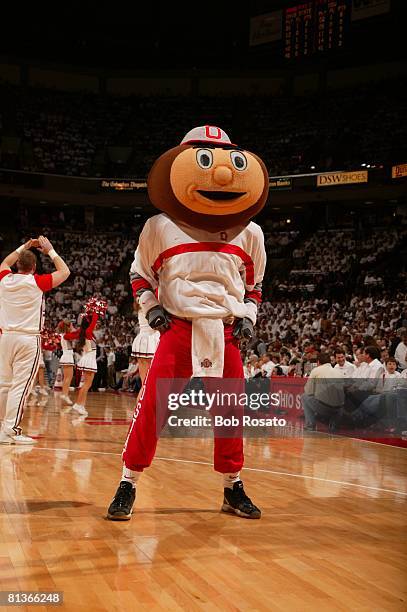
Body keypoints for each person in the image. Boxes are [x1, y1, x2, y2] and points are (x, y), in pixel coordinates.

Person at [107, 125, 269, 521]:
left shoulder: (251, 232)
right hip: (178, 328)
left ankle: (232, 487)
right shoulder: (159, 226)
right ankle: (128, 482)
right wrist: (151, 307)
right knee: (152, 410)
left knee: (231, 413)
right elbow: (139, 274)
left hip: (225, 331)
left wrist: (247, 316)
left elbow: (255, 287)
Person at [0, 236, 70, 444]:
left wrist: (24, 246)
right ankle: (11, 429)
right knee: (20, 386)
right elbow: (65, 272)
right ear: (34, 267)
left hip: (5, 338)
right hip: (27, 338)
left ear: (18, 264)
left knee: (4, 384)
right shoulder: (37, 281)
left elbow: (5, 262)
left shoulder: (5, 278)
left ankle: (3, 426)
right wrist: (50, 250)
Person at [64, 311, 100, 416]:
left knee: (86, 385)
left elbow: (66, 337)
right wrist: (95, 310)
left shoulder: (83, 332)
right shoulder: (88, 332)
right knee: (87, 385)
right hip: (89, 359)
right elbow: (94, 319)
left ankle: (81, 405)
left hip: (87, 358)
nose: (95, 325)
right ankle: (78, 404)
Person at [302, 352, 344, 431]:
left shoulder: (316, 370)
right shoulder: (338, 371)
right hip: (339, 409)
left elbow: (308, 391)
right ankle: (334, 425)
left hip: (325, 407)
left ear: (318, 362)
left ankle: (310, 426)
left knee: (304, 397)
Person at [130, 306, 160, 385]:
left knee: (146, 385)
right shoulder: (150, 301)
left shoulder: (141, 301)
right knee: (148, 384)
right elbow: (157, 324)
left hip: (144, 340)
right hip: (150, 340)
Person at [57, 319, 75, 405]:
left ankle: (64, 394)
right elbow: (76, 334)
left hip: (66, 356)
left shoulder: (63, 335)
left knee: (66, 378)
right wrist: (72, 328)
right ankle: (65, 394)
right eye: (70, 325)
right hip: (67, 356)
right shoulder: (66, 335)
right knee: (68, 377)